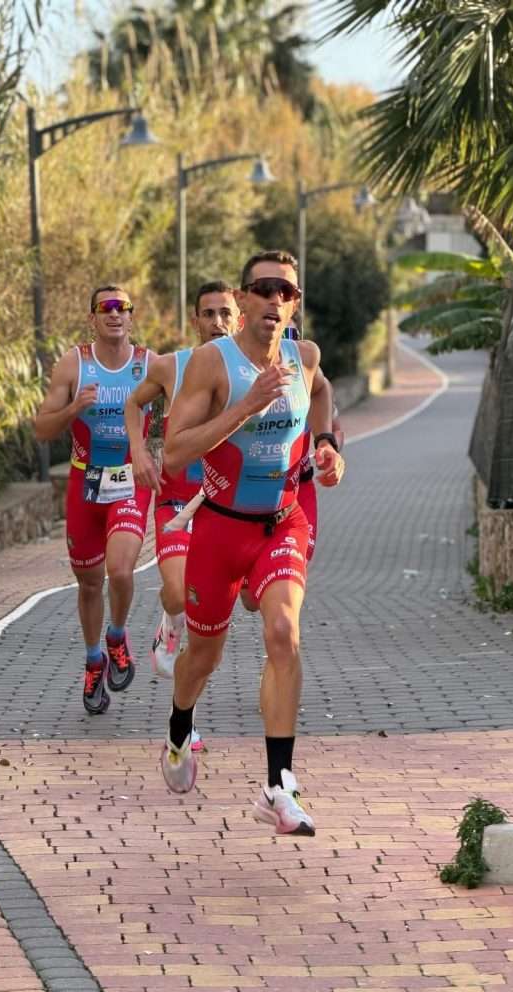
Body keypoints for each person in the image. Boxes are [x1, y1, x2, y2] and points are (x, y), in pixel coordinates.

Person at [159, 250, 345, 836]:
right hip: (219, 530)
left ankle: (278, 786)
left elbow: (321, 394)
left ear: (294, 305)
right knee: (203, 658)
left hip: (282, 523)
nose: (275, 299)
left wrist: (326, 445)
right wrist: (246, 406)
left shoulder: (304, 357)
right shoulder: (213, 364)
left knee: (284, 633)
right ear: (242, 300)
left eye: (286, 292)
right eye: (264, 289)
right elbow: (175, 451)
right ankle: (179, 727)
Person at [34, 285, 155, 715]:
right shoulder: (75, 364)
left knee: (120, 570)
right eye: (106, 308)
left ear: (131, 316)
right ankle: (93, 661)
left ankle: (117, 636)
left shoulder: (149, 364)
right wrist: (73, 409)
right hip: (85, 482)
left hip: (129, 480)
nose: (115, 314)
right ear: (93, 318)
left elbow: (189, 406)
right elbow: (41, 429)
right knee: (89, 582)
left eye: (123, 307)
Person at [124, 281, 240, 679]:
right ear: (196, 321)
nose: (217, 322)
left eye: (225, 313)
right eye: (208, 314)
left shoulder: (251, 371)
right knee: (177, 594)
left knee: (235, 605)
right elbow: (133, 403)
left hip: (230, 506)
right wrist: (139, 450)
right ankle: (170, 625)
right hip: (177, 502)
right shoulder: (171, 366)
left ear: (239, 319)